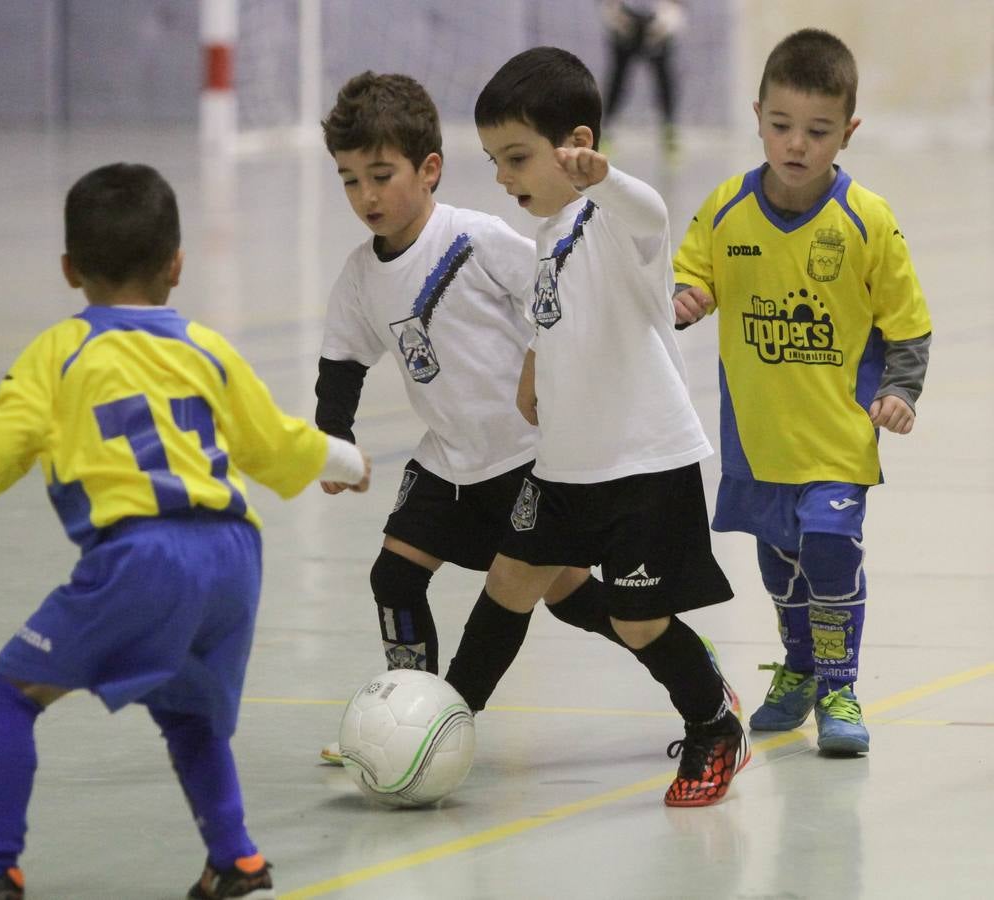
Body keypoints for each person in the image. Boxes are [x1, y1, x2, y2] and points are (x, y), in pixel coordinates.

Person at [0, 163, 371, 900]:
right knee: (188, 711)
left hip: (140, 555)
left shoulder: (58, 352)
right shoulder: (205, 347)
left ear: (70, 270)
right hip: (233, 557)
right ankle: (236, 863)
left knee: (10, 694)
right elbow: (275, 440)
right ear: (176, 265)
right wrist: (349, 460)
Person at [444, 46, 749, 808]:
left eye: (517, 158)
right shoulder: (549, 234)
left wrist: (606, 178)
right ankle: (443, 721)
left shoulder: (615, 220)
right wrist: (534, 366)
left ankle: (713, 723)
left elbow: (651, 212)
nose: (504, 177)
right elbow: (559, 318)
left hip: (643, 465)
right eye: (494, 161)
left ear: (576, 145)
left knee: (638, 622)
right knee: (513, 581)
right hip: (565, 465)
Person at [315, 71, 625, 764]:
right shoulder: (361, 276)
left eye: (380, 174)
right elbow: (342, 361)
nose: (366, 196)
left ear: (429, 169)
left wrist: (560, 372)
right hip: (447, 460)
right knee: (393, 579)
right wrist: (333, 437)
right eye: (349, 180)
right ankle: (405, 714)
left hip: (527, 459)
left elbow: (560, 292)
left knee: (573, 599)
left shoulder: (476, 240)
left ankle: (682, 660)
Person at [672, 28, 932, 754]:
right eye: (781, 125)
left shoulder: (867, 220)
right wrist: (689, 298)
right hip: (757, 443)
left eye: (818, 131)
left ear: (847, 132)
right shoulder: (728, 208)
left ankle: (840, 684)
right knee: (777, 568)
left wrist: (902, 393)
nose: (796, 144)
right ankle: (798, 665)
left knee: (829, 546)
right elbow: (693, 274)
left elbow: (908, 327)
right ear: (757, 115)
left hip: (838, 440)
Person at [600, 0, 686, 154]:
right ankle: (606, 130)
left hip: (658, 25)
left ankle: (669, 131)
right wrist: (615, 14)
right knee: (618, 80)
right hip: (624, 23)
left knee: (664, 79)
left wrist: (668, 20)